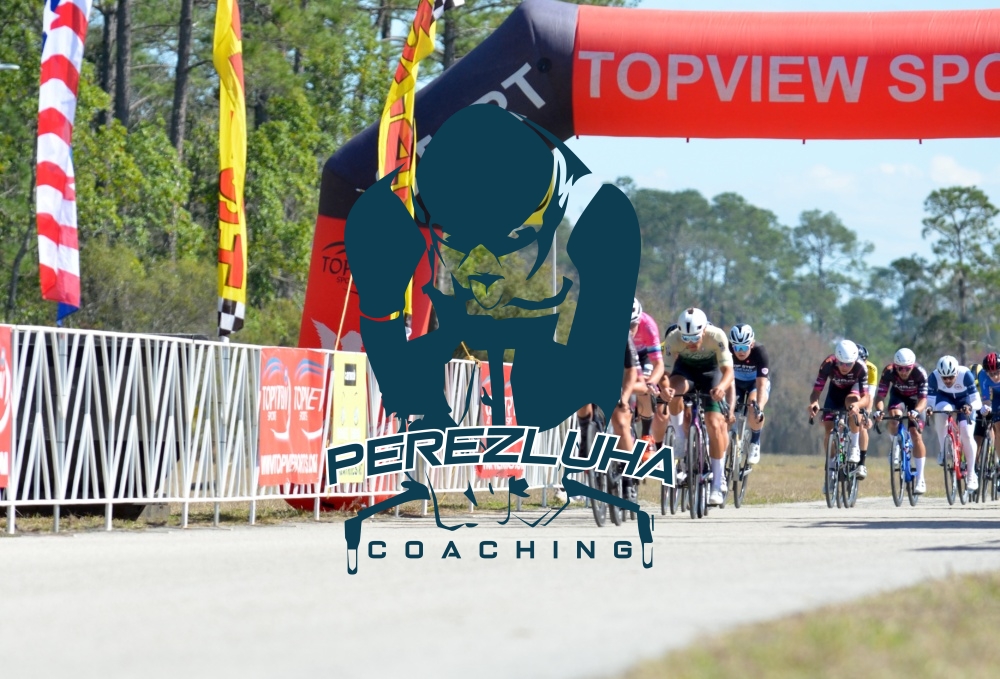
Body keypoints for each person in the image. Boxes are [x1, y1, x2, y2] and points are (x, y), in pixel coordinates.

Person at [661, 307, 735, 507]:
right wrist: (665, 389)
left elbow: (728, 371)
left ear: (704, 331)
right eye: (686, 339)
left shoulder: (716, 336)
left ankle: (717, 483)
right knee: (674, 391)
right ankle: (680, 437)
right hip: (686, 372)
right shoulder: (673, 338)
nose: (691, 344)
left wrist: (721, 387)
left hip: (712, 373)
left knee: (714, 423)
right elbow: (664, 374)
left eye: (695, 338)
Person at [808, 340, 869, 480]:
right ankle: (830, 467)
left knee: (852, 403)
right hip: (835, 392)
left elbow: (866, 397)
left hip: (853, 391)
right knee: (829, 430)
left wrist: (858, 405)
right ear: (836, 359)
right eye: (841, 363)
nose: (844, 367)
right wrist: (814, 403)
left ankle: (854, 447)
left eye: (848, 364)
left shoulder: (861, 367)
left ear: (854, 361)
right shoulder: (828, 364)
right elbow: (816, 391)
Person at [873, 348, 930, 493]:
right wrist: (879, 410)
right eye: (900, 368)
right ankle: (896, 446)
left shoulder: (920, 373)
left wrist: (916, 411)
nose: (903, 372)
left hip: (916, 401)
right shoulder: (888, 371)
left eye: (907, 369)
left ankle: (920, 478)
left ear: (912, 366)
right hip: (898, 397)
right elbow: (880, 396)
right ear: (895, 366)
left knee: (915, 433)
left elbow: (923, 399)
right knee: (894, 418)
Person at [927, 355, 980, 492]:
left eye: (951, 377)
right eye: (944, 378)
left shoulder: (965, 374)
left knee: (967, 434)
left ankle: (971, 474)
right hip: (945, 399)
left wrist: (970, 407)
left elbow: (977, 401)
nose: (948, 381)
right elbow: (930, 402)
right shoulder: (933, 377)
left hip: (964, 401)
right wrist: (929, 409)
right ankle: (943, 450)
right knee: (941, 412)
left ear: (956, 372)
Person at [728, 324, 770, 465]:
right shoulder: (726, 350)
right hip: (735, 382)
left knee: (754, 405)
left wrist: (759, 408)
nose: (740, 351)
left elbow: (761, 384)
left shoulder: (760, 352)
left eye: (744, 347)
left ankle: (755, 442)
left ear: (751, 344)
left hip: (755, 383)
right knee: (727, 408)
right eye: (737, 347)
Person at [630, 298, 664, 444]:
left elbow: (659, 364)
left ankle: (646, 434)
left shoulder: (648, 325)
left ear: (639, 320)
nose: (629, 330)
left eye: (632, 325)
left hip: (644, 356)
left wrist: (651, 383)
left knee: (644, 386)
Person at [854, 344, 878, 480]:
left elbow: (870, 395)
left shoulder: (871, 369)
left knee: (862, 425)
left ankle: (862, 463)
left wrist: (867, 414)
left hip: (864, 395)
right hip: (850, 392)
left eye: (863, 360)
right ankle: (840, 458)